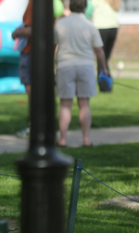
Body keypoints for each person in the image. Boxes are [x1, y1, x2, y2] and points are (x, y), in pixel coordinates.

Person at [54, 0, 108, 147]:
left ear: (69, 6)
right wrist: (104, 67)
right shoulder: (90, 26)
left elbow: (53, 45)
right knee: (84, 104)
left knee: (65, 105)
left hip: (65, 66)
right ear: (85, 7)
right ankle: (86, 139)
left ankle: (63, 139)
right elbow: (99, 50)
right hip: (86, 66)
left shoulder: (60, 24)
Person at [12, 0, 32, 138]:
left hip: (31, 52)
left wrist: (16, 32)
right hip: (42, 53)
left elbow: (31, 29)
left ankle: (34, 127)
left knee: (33, 92)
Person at [91, 0, 121, 76]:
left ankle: (104, 84)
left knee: (100, 58)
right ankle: (107, 81)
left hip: (101, 28)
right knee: (105, 58)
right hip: (114, 28)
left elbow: (88, 8)